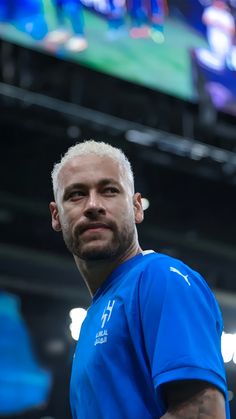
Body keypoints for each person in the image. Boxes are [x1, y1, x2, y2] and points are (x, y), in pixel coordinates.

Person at [49, 139, 230, 419]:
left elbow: (201, 412)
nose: (93, 205)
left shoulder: (159, 278)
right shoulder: (92, 320)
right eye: (76, 194)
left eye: (109, 190)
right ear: (56, 216)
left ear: (137, 207)